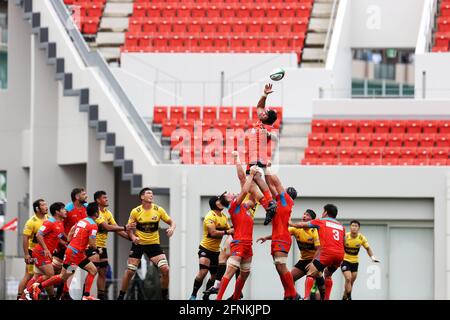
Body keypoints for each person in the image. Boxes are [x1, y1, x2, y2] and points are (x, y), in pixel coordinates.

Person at [30, 202, 101, 300]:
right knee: (63, 276)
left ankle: (85, 295)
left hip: (75, 252)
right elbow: (92, 244)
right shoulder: (93, 226)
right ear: (96, 214)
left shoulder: (82, 221)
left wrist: (75, 242)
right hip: (74, 254)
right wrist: (97, 249)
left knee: (92, 270)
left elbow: (71, 233)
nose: (65, 211)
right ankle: (38, 287)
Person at [117, 188, 176, 300]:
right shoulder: (135, 211)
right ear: (142, 197)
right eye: (148, 193)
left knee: (165, 269)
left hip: (154, 244)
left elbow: (172, 222)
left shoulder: (158, 209)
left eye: (152, 193)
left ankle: (164, 296)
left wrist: (172, 229)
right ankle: (120, 296)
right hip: (139, 244)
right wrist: (133, 237)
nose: (151, 195)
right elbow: (129, 228)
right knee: (130, 271)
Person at [256, 162, 300, 299]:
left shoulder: (286, 199)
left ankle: (293, 293)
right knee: (278, 267)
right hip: (276, 237)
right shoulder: (280, 202)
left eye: (284, 190)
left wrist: (266, 168)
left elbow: (275, 181)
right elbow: (270, 185)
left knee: (281, 266)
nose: (281, 190)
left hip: (282, 237)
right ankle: (288, 293)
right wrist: (266, 238)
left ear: (288, 193)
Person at [216, 166, 258, 300]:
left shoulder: (244, 207)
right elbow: (245, 191)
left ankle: (235, 299)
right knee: (230, 272)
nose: (231, 192)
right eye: (227, 193)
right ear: (227, 200)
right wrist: (250, 175)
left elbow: (252, 196)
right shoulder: (233, 206)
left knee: (245, 274)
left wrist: (254, 180)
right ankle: (219, 298)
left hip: (248, 245)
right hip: (239, 243)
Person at [289, 204, 345, 300]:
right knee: (328, 274)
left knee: (310, 272)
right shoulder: (341, 226)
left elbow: (302, 225)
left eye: (323, 211)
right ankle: (326, 298)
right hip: (340, 254)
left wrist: (290, 222)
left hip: (326, 253)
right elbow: (344, 242)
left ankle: (306, 297)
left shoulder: (321, 221)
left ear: (326, 212)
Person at [92, 190, 134, 300]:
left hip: (102, 246)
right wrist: (125, 227)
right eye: (104, 198)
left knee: (103, 272)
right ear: (98, 200)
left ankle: (100, 296)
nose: (107, 199)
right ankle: (85, 295)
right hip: (91, 246)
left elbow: (116, 229)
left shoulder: (108, 213)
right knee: (92, 271)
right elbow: (107, 227)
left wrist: (131, 238)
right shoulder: (96, 213)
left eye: (107, 197)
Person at [189, 195, 233, 300]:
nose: (222, 201)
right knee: (203, 272)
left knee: (214, 277)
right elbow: (213, 233)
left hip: (216, 251)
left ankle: (206, 296)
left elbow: (230, 229)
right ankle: (193, 294)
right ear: (215, 203)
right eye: (219, 200)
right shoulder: (210, 216)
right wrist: (227, 231)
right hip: (205, 249)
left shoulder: (223, 216)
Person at [248, 83, 279, 226]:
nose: (262, 112)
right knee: (253, 182)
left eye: (265, 113)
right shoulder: (259, 122)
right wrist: (265, 94)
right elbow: (259, 106)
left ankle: (270, 202)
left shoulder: (266, 126)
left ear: (268, 118)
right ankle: (268, 205)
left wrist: (268, 134)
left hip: (258, 156)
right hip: (254, 156)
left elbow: (276, 138)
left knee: (254, 177)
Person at [24, 202, 67, 300]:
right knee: (50, 275)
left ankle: (24, 296)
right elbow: (39, 235)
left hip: (46, 254)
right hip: (40, 253)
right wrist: (46, 249)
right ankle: (30, 290)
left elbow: (56, 237)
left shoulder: (60, 223)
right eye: (63, 209)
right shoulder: (49, 222)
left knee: (37, 276)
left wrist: (62, 243)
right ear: (57, 212)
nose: (66, 211)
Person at [53, 188, 88, 300]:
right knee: (59, 272)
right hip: (66, 246)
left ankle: (64, 294)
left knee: (71, 271)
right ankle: (40, 287)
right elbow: (58, 225)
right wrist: (65, 240)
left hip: (78, 246)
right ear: (77, 197)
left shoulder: (86, 208)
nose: (86, 196)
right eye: (84, 194)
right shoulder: (68, 208)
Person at [341, 220, 380, 300]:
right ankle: (349, 297)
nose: (354, 228)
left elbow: (367, 248)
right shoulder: (345, 236)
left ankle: (345, 296)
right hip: (345, 260)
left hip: (355, 262)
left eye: (356, 226)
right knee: (348, 278)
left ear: (359, 228)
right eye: (352, 226)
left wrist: (372, 258)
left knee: (351, 282)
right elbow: (338, 246)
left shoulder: (361, 238)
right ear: (350, 227)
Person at [17, 199, 47, 300]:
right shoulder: (31, 222)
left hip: (43, 252)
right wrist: (26, 254)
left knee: (45, 274)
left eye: (46, 204)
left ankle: (48, 296)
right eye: (43, 205)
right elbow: (25, 238)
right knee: (29, 274)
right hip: (33, 252)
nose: (46, 206)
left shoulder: (48, 218)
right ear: (37, 209)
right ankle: (20, 296)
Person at [288, 209, 320, 299]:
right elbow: (282, 234)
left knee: (315, 290)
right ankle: (294, 296)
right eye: (304, 214)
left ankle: (308, 297)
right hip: (304, 260)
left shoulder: (315, 232)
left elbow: (319, 249)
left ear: (312, 220)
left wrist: (312, 263)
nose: (304, 216)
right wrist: (267, 238)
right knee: (289, 279)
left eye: (307, 215)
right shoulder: (296, 229)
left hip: (315, 260)